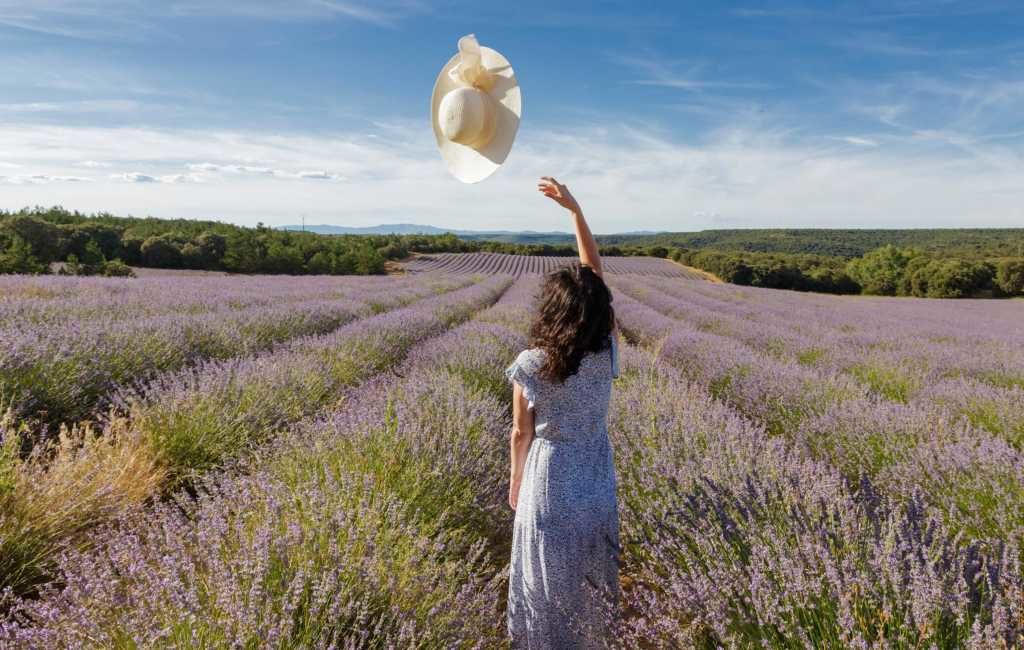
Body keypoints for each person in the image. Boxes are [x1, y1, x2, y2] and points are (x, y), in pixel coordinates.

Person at [505, 177, 621, 648]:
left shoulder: (531, 364)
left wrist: (516, 485)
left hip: (548, 479)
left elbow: (519, 434)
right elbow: (595, 278)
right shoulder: (605, 354)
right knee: (592, 579)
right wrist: (575, 211)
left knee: (543, 583)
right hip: (595, 475)